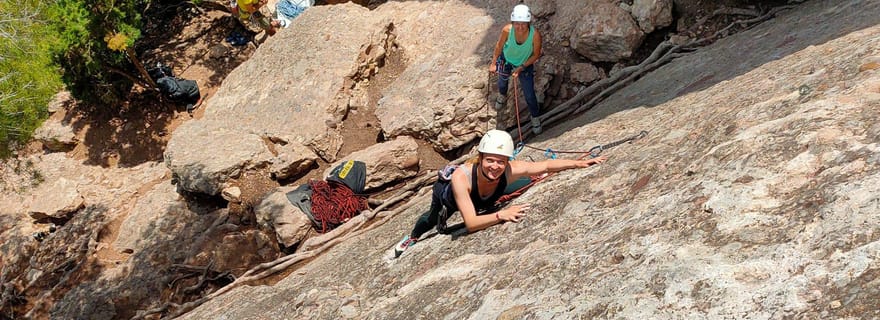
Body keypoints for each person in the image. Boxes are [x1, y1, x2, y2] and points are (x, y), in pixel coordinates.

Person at [393, 130, 607, 257]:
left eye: (501, 161)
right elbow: (471, 223)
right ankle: (411, 237)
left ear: (507, 161)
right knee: (432, 218)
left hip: (489, 193)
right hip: (450, 198)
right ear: (481, 157)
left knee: (529, 177)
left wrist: (579, 163)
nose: (495, 166)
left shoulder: (509, 170)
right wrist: (500, 215)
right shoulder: (462, 177)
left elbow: (546, 164)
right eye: (490, 160)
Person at [490, 4, 544, 134]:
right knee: (502, 83)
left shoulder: (535, 35)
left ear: (528, 23)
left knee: (529, 95)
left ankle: (535, 117)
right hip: (506, 60)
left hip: (524, 65)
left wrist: (521, 67)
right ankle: (502, 96)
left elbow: (536, 54)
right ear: (513, 22)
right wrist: (494, 63)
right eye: (517, 24)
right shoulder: (507, 30)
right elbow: (499, 46)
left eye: (523, 24)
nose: (520, 27)